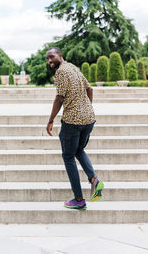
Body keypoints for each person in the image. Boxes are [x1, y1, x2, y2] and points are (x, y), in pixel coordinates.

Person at [46, 47, 104, 210]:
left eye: (51, 57)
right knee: (78, 150)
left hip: (73, 122)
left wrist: (50, 120)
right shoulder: (74, 68)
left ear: (60, 55)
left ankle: (79, 199)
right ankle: (94, 180)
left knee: (68, 156)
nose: (50, 61)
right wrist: (86, 108)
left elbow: (59, 98)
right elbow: (90, 89)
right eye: (48, 59)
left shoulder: (61, 72)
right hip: (89, 119)